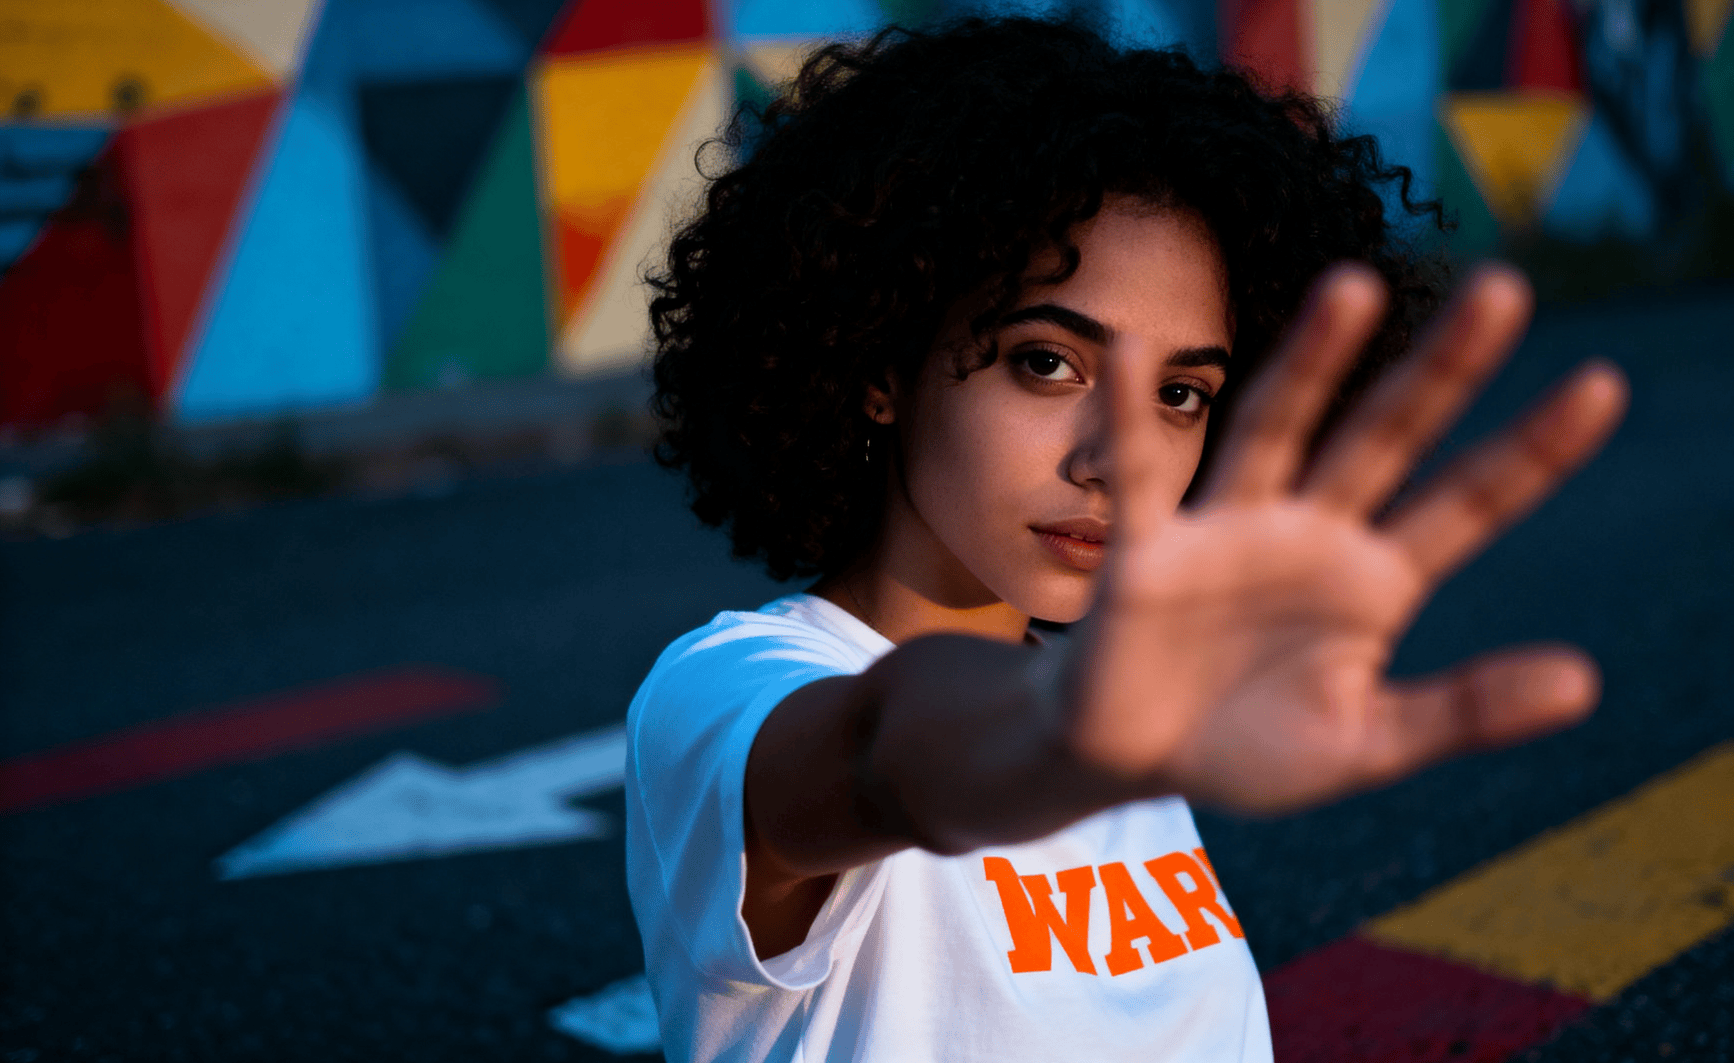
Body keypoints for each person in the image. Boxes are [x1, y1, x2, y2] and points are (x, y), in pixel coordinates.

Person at [623, 15, 1628, 1062]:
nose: (1123, 459)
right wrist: (1066, 724)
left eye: (1183, 393)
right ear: (881, 364)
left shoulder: (1118, 690)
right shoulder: (727, 697)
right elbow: (886, 752)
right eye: (1047, 362)